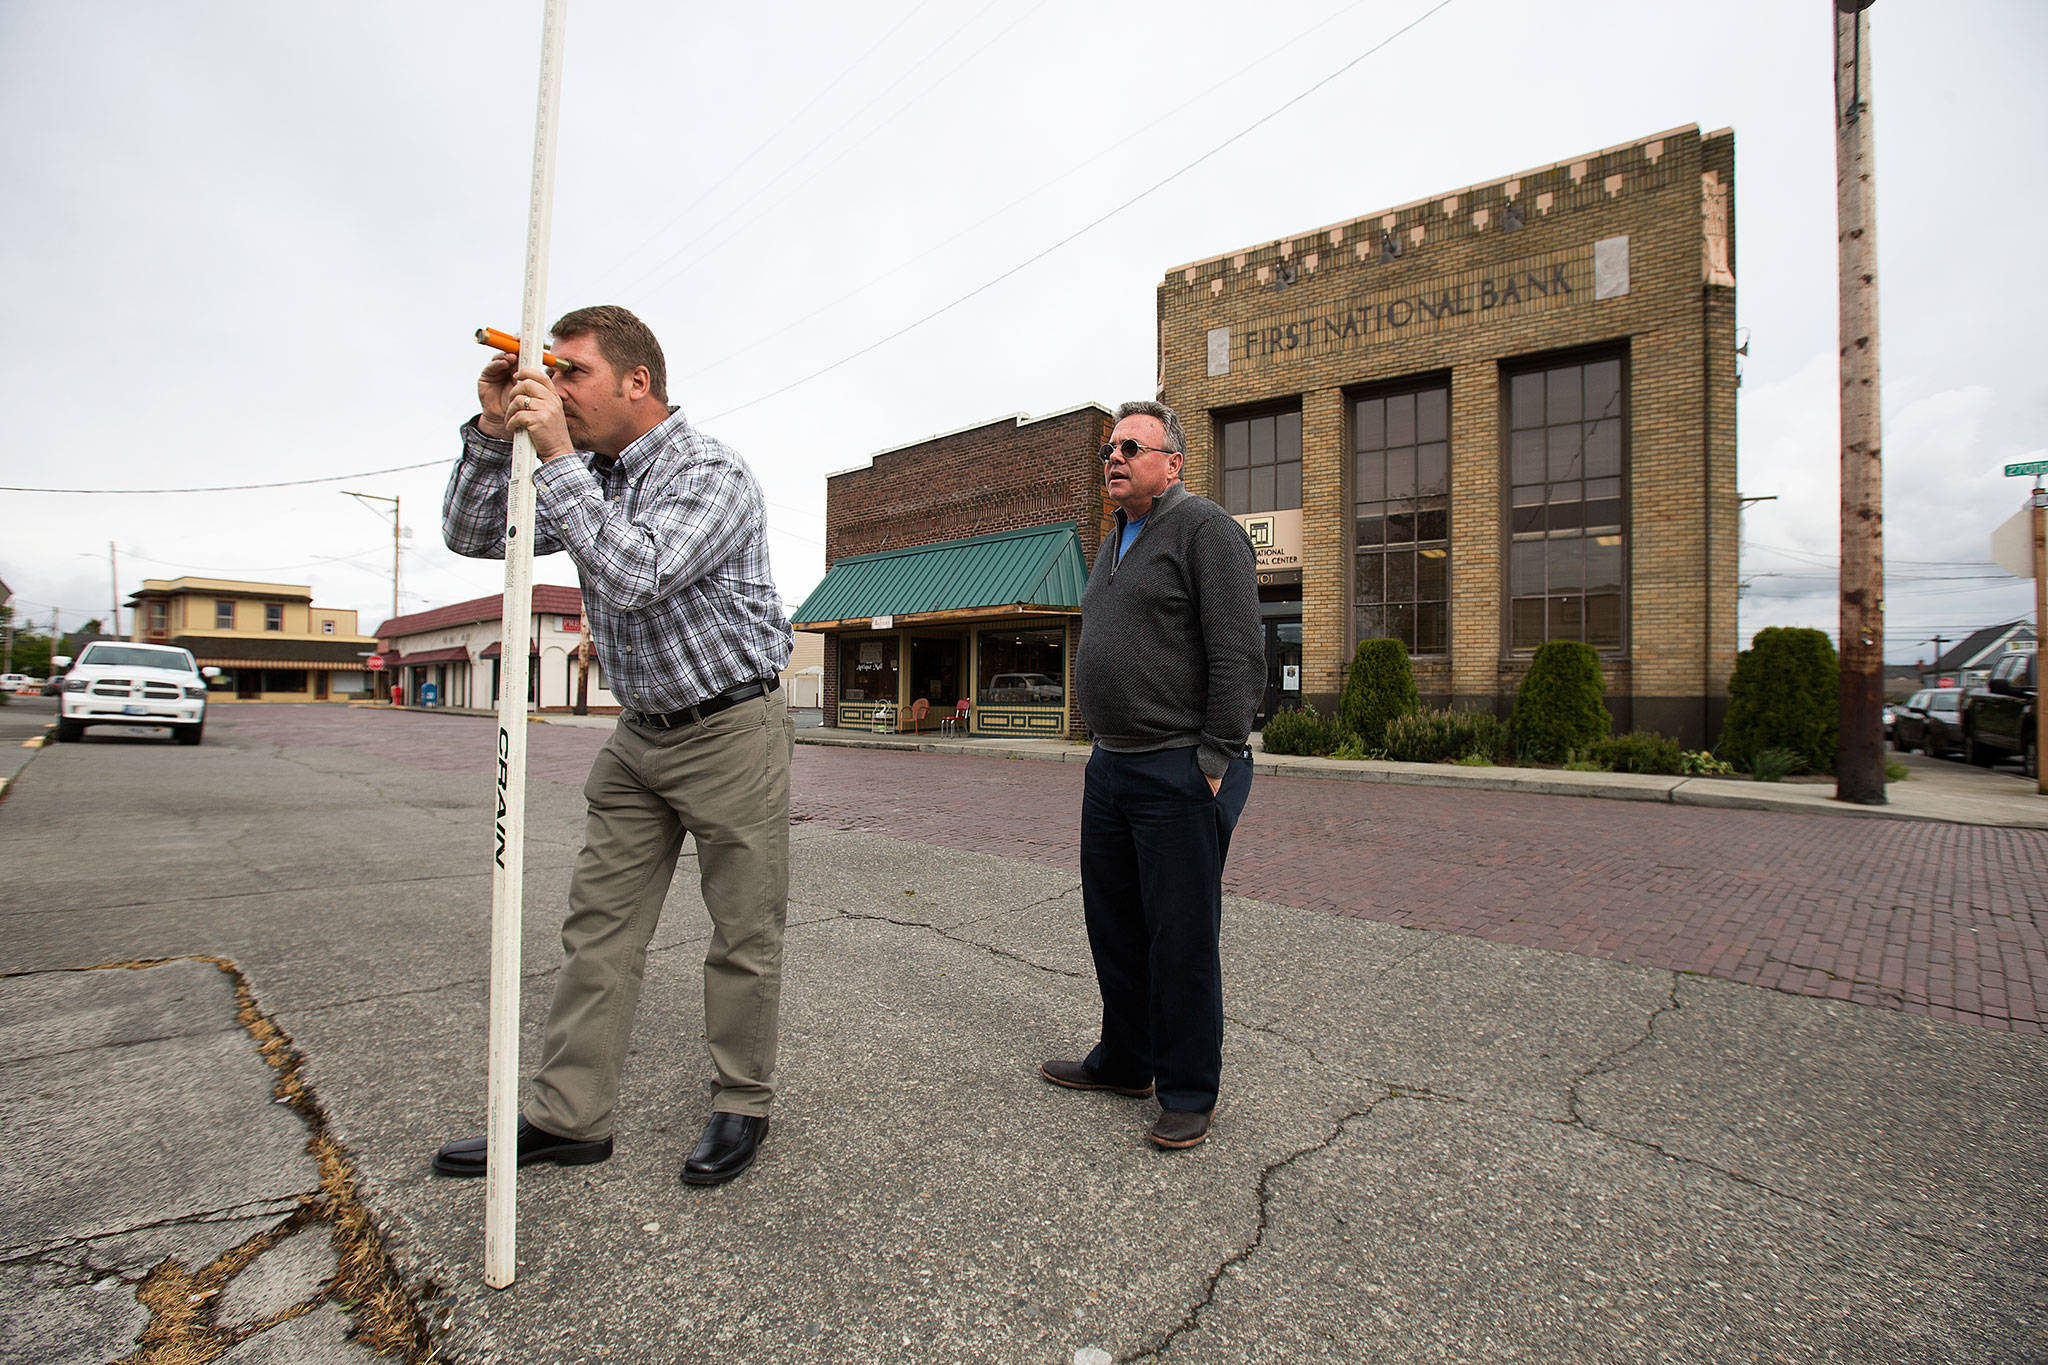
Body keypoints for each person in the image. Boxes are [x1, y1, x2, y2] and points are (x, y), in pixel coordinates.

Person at [431, 305, 794, 1187]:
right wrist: (491, 431)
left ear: (638, 382)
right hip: (640, 733)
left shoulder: (709, 471)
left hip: (730, 728)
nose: (553, 391)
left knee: (742, 929)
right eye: (545, 374)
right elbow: (476, 533)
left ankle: (741, 1101)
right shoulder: (593, 472)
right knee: (597, 927)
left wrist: (555, 457)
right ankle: (569, 1116)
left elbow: (633, 575)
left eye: (571, 373)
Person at [1041, 400, 1263, 1150]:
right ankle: (1128, 1059)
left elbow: (1239, 653)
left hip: (1177, 768)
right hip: (1112, 765)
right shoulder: (1110, 543)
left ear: (1173, 462)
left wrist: (1213, 761)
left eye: (1132, 445)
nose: (1114, 455)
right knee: (1115, 925)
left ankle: (1189, 1087)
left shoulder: (1206, 530)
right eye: (1109, 446)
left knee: (1182, 936)